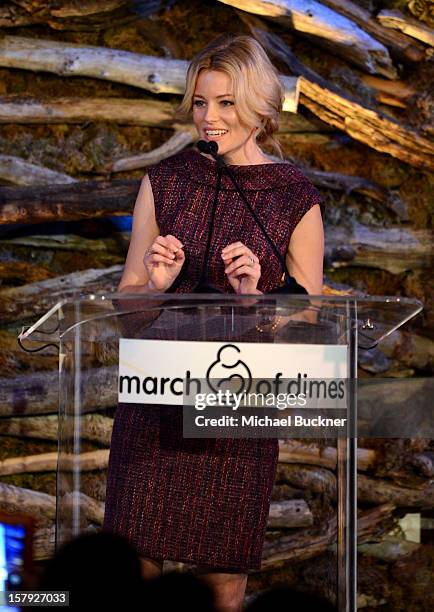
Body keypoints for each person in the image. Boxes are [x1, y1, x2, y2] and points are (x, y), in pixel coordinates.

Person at [102, 33, 324, 612]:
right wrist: (155, 287)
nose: (209, 117)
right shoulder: (165, 182)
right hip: (156, 403)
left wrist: (257, 302)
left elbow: (311, 317)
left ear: (259, 105)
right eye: (201, 102)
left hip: (236, 412)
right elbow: (126, 306)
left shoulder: (294, 195)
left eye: (226, 103)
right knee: (136, 569)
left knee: (223, 582)